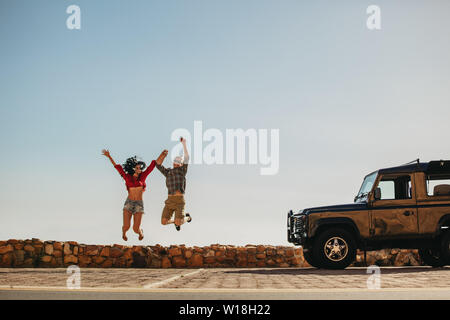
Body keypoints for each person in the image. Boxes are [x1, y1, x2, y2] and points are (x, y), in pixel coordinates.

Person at [102, 149, 156, 241]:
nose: (140, 169)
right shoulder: (127, 177)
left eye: (140, 168)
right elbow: (117, 167)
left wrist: (162, 155)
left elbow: (152, 166)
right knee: (126, 226)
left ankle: (140, 232)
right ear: (133, 168)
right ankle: (124, 233)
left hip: (139, 204)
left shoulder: (142, 176)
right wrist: (109, 156)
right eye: (138, 168)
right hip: (129, 203)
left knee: (135, 229)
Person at [155, 137, 192, 231]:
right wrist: (163, 155)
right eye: (175, 161)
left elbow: (187, 157)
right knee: (163, 222)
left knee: (179, 221)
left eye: (179, 162)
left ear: (181, 164)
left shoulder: (182, 170)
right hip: (170, 200)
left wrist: (184, 144)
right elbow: (158, 165)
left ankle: (187, 218)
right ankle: (175, 222)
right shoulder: (168, 172)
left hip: (179, 201)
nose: (176, 163)